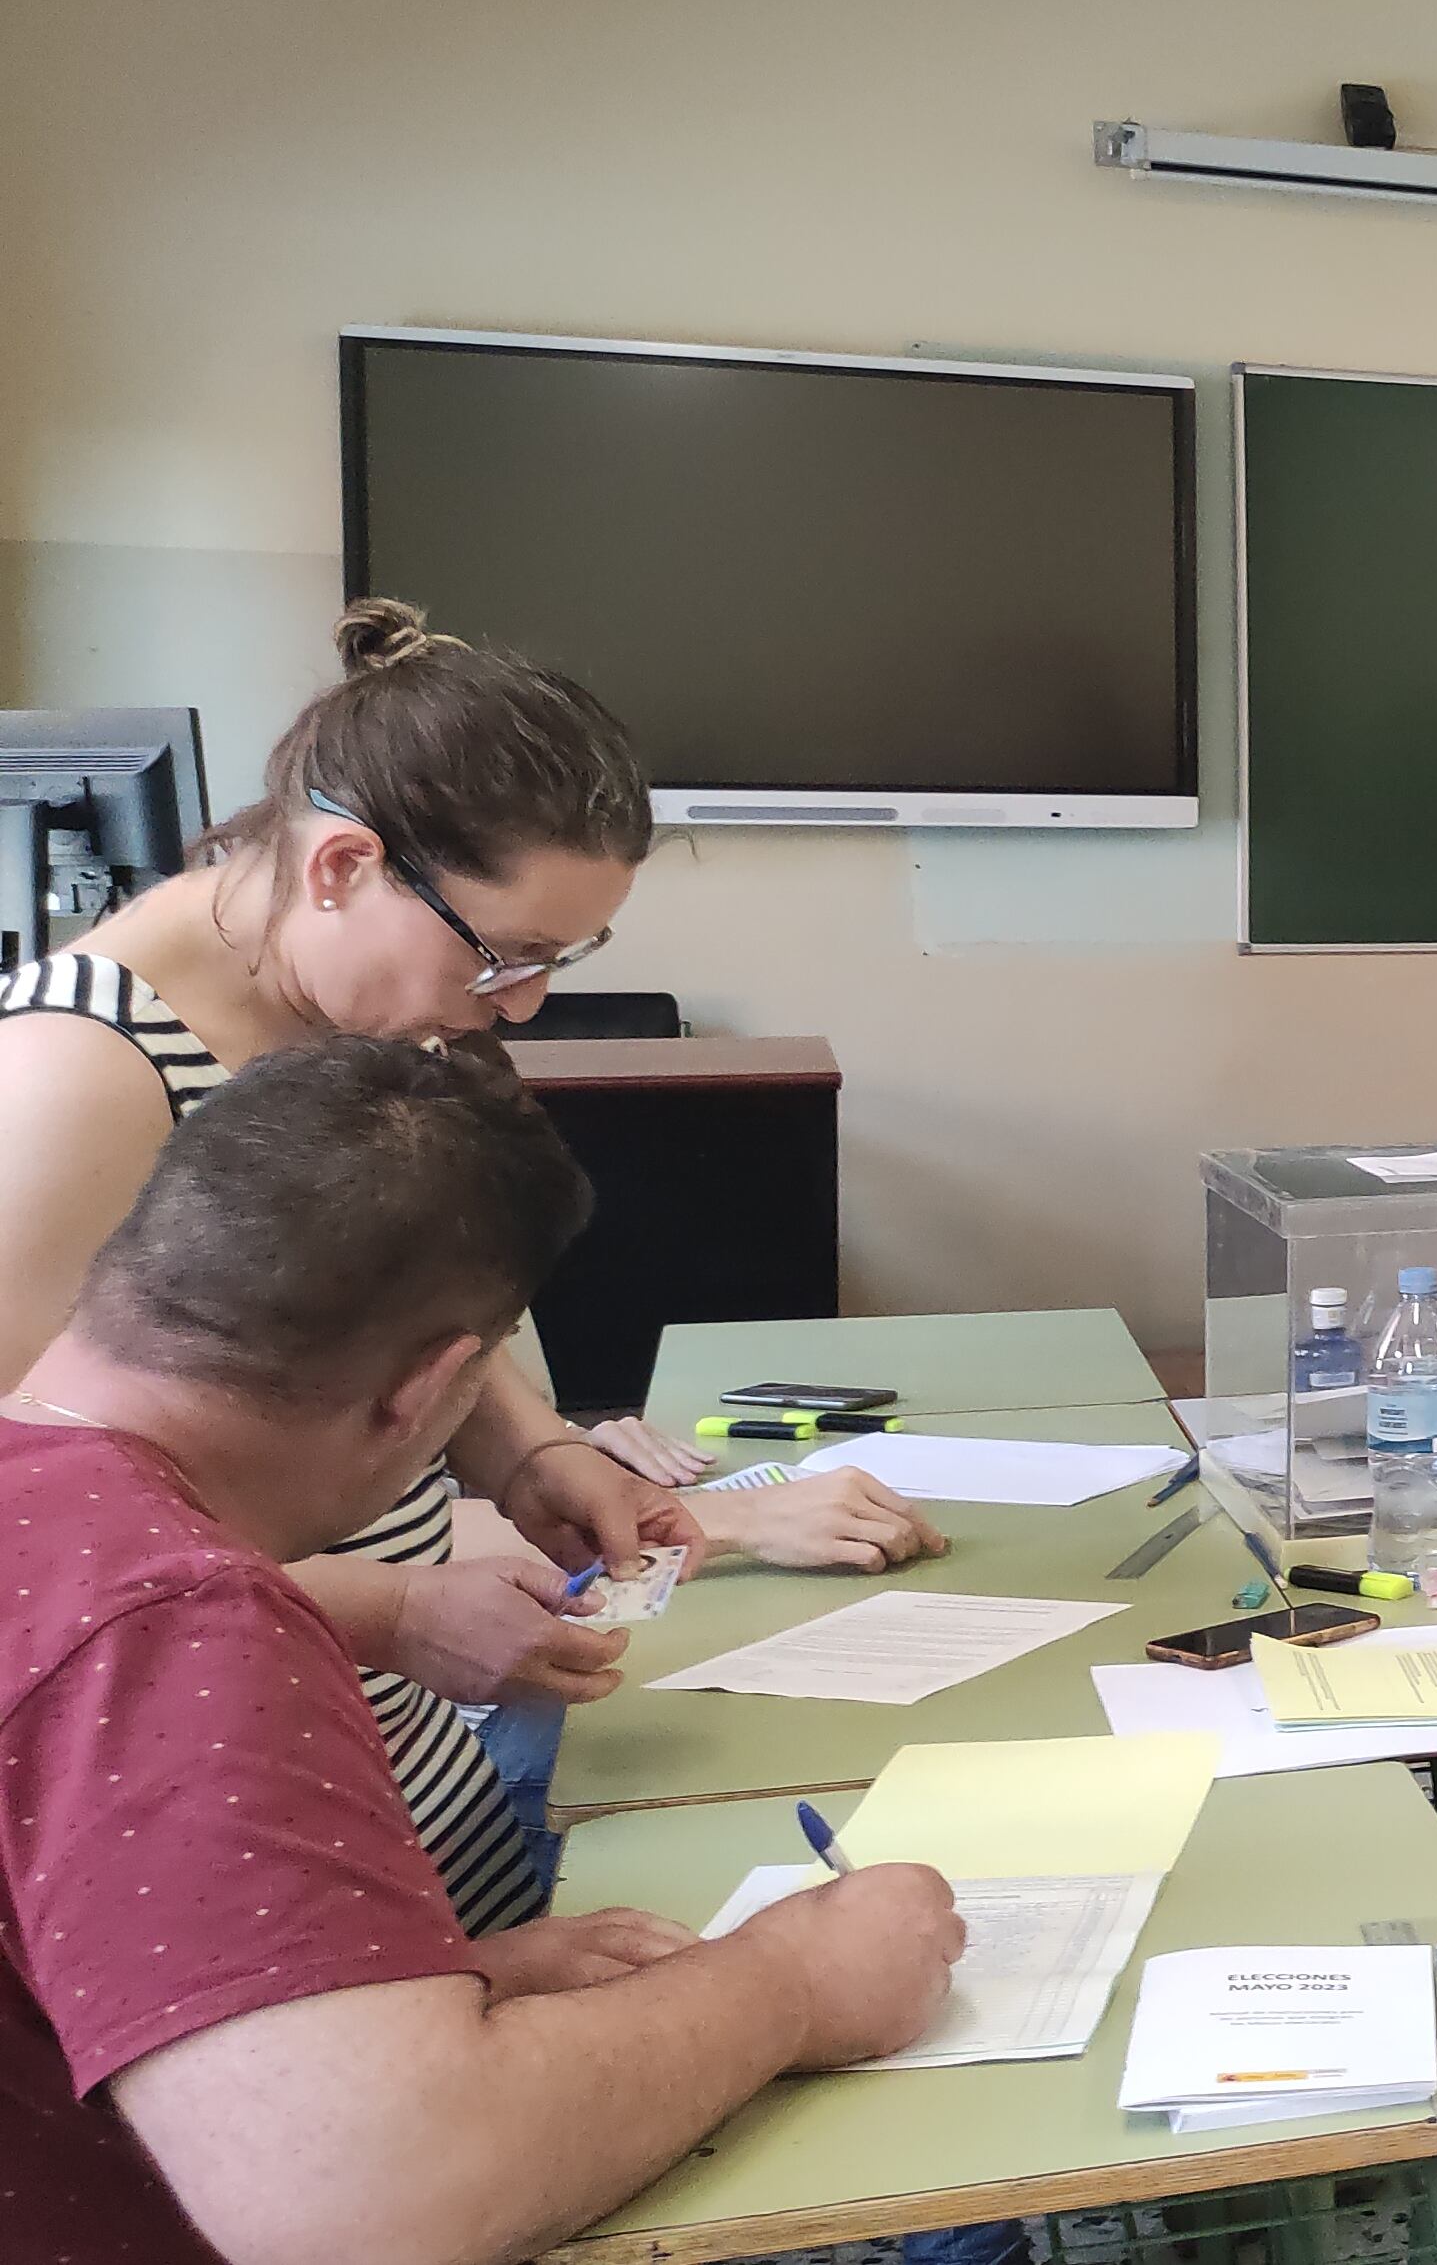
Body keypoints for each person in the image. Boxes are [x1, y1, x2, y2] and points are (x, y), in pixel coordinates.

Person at [0, 601, 943, 1936]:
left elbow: (390, 1297)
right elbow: (34, 1556)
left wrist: (533, 1454)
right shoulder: (72, 1084)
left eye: (563, 959)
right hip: (232, 1801)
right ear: (340, 866)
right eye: (504, 955)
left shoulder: (361, 1010)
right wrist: (387, 1612)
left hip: (421, 1769)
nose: (525, 1005)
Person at [1, 1035, 969, 2265]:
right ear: (431, 1388)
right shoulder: (175, 1623)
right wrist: (794, 1984)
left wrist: (390, 2001)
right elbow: (365, 2205)